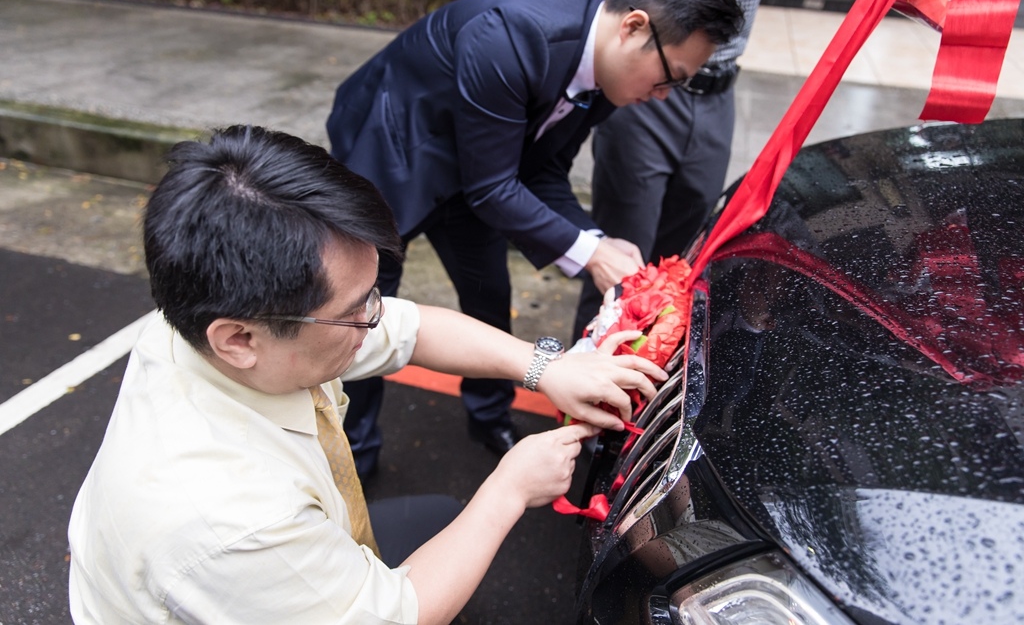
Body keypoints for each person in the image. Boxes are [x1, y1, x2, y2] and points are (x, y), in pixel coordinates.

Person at [67, 126, 667, 624]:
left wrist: (547, 367)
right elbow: (393, 616)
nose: (374, 316)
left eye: (372, 291)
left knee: (435, 519)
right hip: (227, 583)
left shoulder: (206, 320)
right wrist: (508, 488)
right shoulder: (234, 517)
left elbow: (412, 329)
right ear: (241, 339)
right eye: (356, 309)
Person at [326, 0, 744, 474]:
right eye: (670, 77)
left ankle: (489, 414)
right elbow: (494, 186)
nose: (663, 96)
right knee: (363, 313)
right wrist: (590, 254)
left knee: (489, 296)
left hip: (475, 172)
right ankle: (355, 450)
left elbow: (543, 171)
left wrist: (594, 238)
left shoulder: (608, 77)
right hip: (390, 154)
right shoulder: (508, 35)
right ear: (634, 26)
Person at [572, 0, 774, 341]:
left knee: (683, 262)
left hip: (718, 82)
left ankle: (654, 383)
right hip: (650, 69)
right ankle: (586, 383)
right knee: (620, 259)